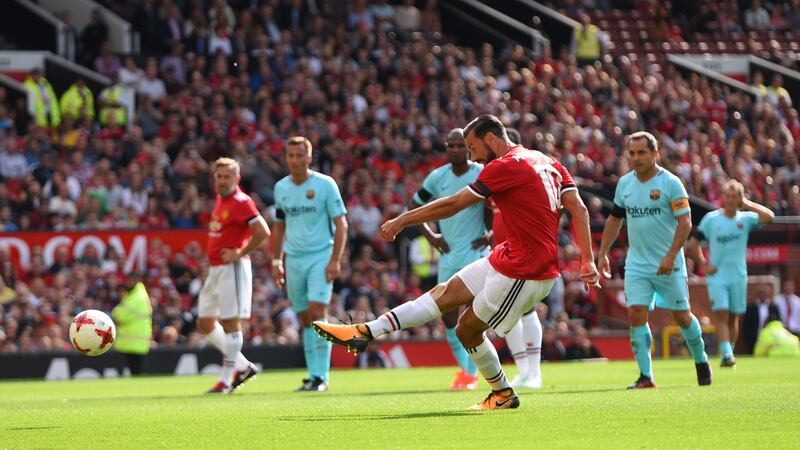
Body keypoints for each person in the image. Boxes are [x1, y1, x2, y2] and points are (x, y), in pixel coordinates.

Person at [314, 114, 599, 410]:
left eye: (472, 147)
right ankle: (364, 332)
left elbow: (454, 204)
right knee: (444, 293)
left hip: (526, 269)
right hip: (508, 255)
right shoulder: (548, 161)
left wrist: (402, 220)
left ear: (491, 140)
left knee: (466, 330)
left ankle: (503, 392)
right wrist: (587, 259)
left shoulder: (504, 166)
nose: (471, 155)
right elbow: (578, 209)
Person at [597, 131, 711, 389]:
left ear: (655, 153)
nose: (636, 158)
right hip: (637, 263)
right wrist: (603, 252)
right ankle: (646, 375)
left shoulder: (670, 183)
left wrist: (671, 255)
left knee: (682, 317)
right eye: (632, 153)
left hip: (669, 263)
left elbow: (686, 223)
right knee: (636, 313)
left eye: (641, 152)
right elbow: (615, 218)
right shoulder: (625, 184)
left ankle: (701, 359)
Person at [410, 128, 486, 391]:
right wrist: (431, 236)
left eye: (460, 146)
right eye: (451, 146)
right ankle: (467, 371)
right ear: (446, 147)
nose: (455, 150)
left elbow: (496, 205)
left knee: (474, 315)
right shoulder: (437, 177)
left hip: (475, 254)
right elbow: (414, 205)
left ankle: (471, 373)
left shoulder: (480, 172)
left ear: (467, 147)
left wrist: (490, 233)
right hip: (449, 255)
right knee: (446, 316)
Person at [272, 136, 348, 392]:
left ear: (309, 157)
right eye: (290, 156)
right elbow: (279, 226)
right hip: (294, 259)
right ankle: (312, 374)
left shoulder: (325, 185)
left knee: (317, 313)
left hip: (320, 256)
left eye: (299, 155)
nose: (294, 160)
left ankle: (322, 376)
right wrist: (276, 260)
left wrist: (335, 259)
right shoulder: (281, 188)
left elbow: (341, 224)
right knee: (304, 318)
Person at [473, 128, 544, 389]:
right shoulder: (492, 175)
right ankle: (524, 370)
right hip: (500, 250)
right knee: (509, 313)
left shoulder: (522, 170)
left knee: (527, 309)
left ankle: (535, 372)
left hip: (523, 250)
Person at [198, 157, 270, 394]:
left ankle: (226, 379)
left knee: (230, 322)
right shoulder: (221, 199)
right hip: (216, 268)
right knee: (205, 321)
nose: (222, 180)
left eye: (227, 176)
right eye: (218, 176)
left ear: (237, 179)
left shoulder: (241, 201)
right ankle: (242, 366)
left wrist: (240, 252)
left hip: (233, 269)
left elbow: (262, 232)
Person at [689, 179, 774, 367]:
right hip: (717, 276)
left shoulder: (745, 219)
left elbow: (769, 216)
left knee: (734, 315)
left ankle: (729, 351)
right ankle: (726, 352)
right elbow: (693, 244)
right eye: (727, 196)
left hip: (738, 275)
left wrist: (747, 205)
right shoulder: (712, 219)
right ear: (722, 197)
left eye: (734, 197)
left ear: (739, 199)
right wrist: (704, 264)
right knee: (721, 313)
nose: (730, 200)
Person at [111, 272, 152, 375]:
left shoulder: (136, 297)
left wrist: (115, 311)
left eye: (130, 280)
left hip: (134, 343)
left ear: (136, 281)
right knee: (134, 373)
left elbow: (120, 316)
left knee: (135, 373)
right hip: (133, 343)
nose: (127, 283)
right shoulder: (136, 295)